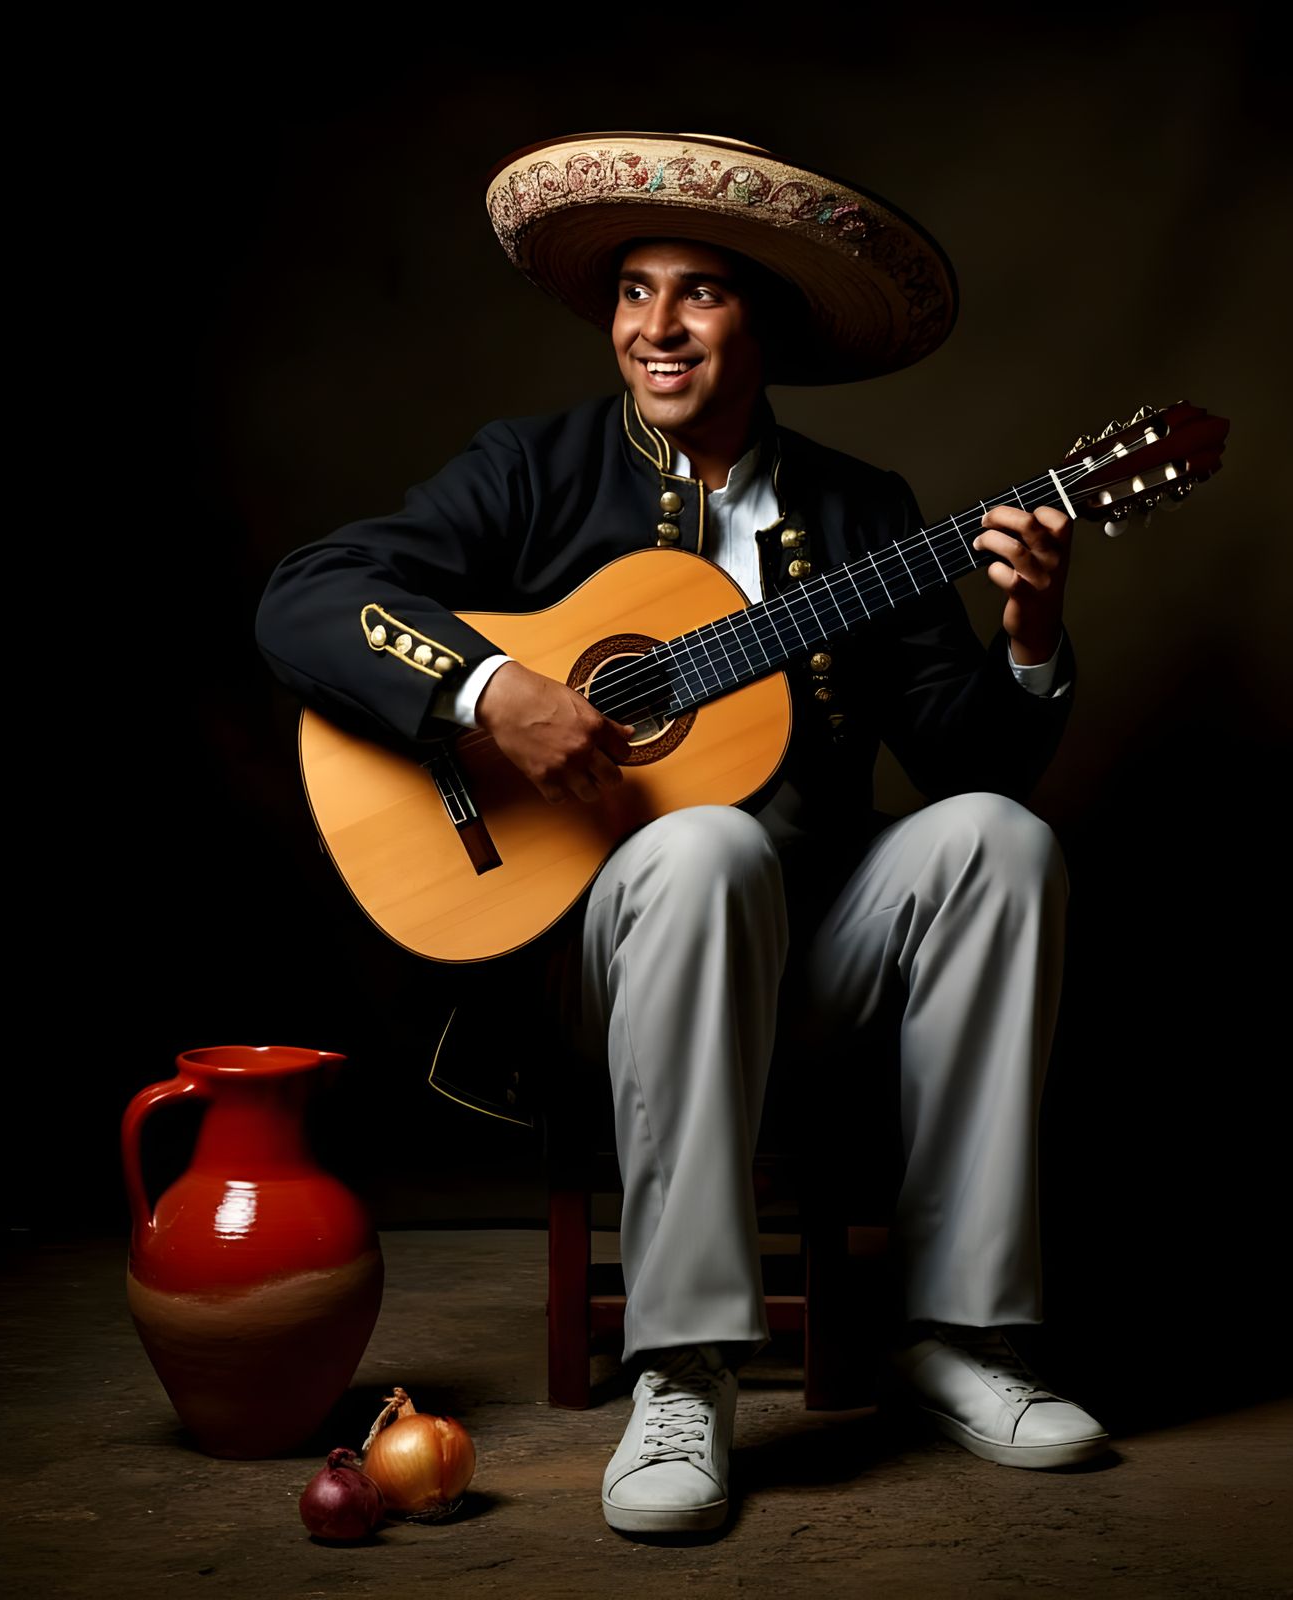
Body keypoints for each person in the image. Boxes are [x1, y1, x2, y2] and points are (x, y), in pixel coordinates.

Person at [255, 131, 1110, 1538]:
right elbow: (308, 594)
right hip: (599, 976)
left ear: (760, 322)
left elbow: (980, 765)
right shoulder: (530, 471)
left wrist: (1030, 629)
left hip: (812, 968)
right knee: (704, 848)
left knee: (1000, 848)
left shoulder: (866, 515)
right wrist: (491, 691)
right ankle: (684, 1371)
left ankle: (961, 1335)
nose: (656, 327)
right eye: (633, 291)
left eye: (698, 291)